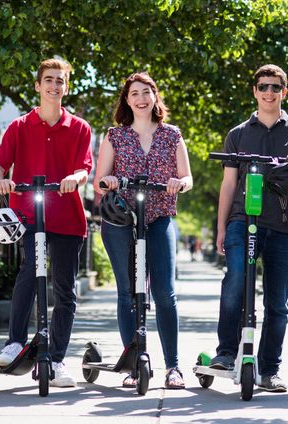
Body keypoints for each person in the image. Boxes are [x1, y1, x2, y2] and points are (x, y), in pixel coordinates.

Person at [212, 64, 288, 392]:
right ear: (255, 91)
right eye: (263, 87)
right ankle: (227, 352)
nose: (269, 92)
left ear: (284, 92)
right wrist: (220, 228)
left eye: (275, 87)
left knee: (277, 303)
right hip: (242, 221)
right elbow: (228, 185)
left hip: (284, 227)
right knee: (235, 282)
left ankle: (269, 369)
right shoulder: (238, 134)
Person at [0, 58, 93, 388]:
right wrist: (0, 181)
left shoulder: (79, 128)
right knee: (28, 274)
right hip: (29, 214)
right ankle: (15, 342)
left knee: (65, 288)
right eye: (48, 80)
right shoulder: (19, 127)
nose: (54, 85)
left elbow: (84, 169)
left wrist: (73, 179)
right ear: (37, 85)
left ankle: (58, 358)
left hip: (66, 218)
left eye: (60, 81)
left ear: (66, 86)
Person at [94, 72, 193, 389]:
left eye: (146, 92)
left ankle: (173, 367)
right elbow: (99, 178)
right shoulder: (114, 136)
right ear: (127, 100)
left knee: (164, 291)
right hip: (123, 220)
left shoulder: (172, 135)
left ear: (155, 96)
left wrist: (180, 183)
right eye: (134, 93)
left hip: (160, 216)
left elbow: (187, 178)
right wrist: (108, 181)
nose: (140, 98)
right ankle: (132, 366)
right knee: (128, 293)